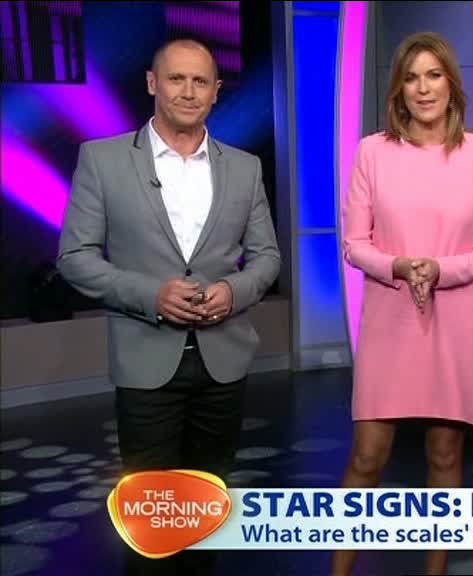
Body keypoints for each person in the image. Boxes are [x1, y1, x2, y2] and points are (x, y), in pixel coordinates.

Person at [57, 37, 281, 575]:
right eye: (176, 79)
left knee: (208, 507)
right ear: (152, 83)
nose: (188, 91)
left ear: (216, 91)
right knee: (152, 519)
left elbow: (267, 257)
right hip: (145, 361)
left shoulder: (244, 167)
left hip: (223, 362)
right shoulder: (103, 159)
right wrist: (149, 295)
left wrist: (234, 291)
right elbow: (74, 257)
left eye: (200, 81)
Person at [331, 31, 473, 576]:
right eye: (411, 78)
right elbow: (354, 244)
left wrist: (439, 270)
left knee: (445, 455)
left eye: (434, 75)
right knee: (367, 456)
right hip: (389, 319)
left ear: (451, 84)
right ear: (398, 89)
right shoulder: (372, 151)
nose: (423, 88)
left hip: (457, 321)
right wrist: (401, 267)